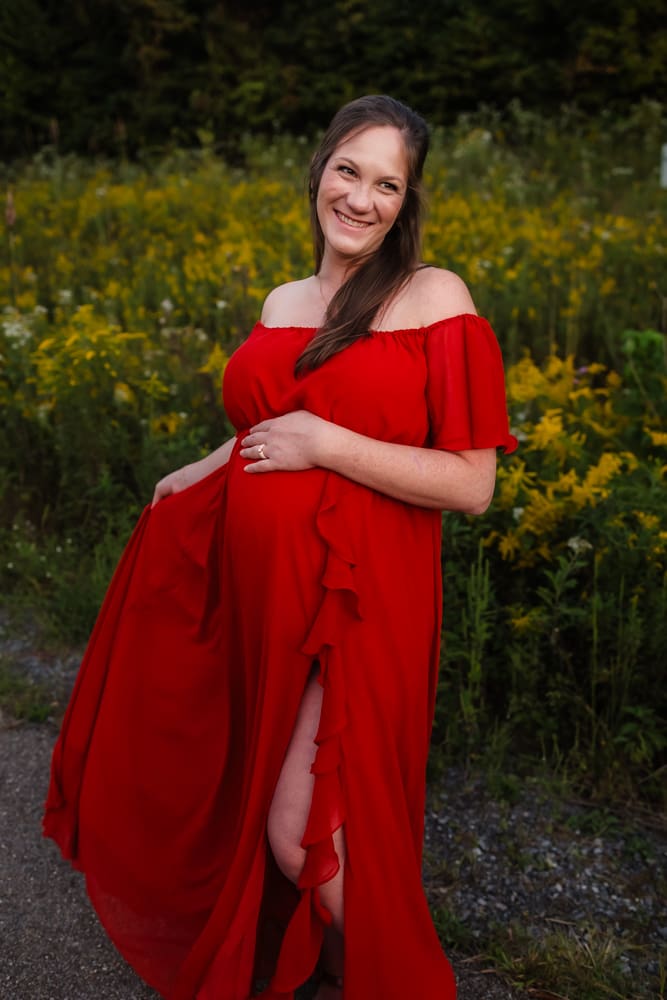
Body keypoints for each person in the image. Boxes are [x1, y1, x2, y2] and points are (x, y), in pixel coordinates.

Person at [43, 94, 517, 1000]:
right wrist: (203, 466)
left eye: (388, 184)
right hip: (267, 595)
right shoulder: (285, 300)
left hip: (363, 597)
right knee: (266, 798)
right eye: (348, 171)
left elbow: (470, 482)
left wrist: (324, 448)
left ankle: (404, 978)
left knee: (308, 822)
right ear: (317, 171)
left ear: (407, 201)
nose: (361, 199)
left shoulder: (433, 297)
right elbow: (279, 420)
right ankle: (342, 959)